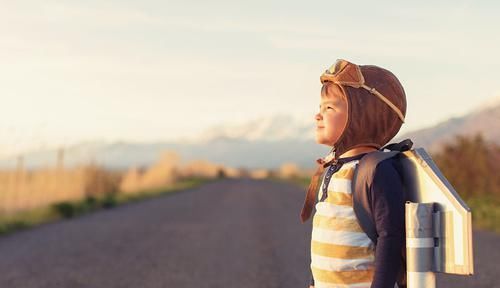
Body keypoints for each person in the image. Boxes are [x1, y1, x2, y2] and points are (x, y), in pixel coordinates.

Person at [300, 59, 407, 288]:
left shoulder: (375, 170)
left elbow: (390, 237)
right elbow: (325, 237)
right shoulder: (335, 168)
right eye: (320, 108)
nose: (317, 116)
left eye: (329, 108)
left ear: (362, 116)